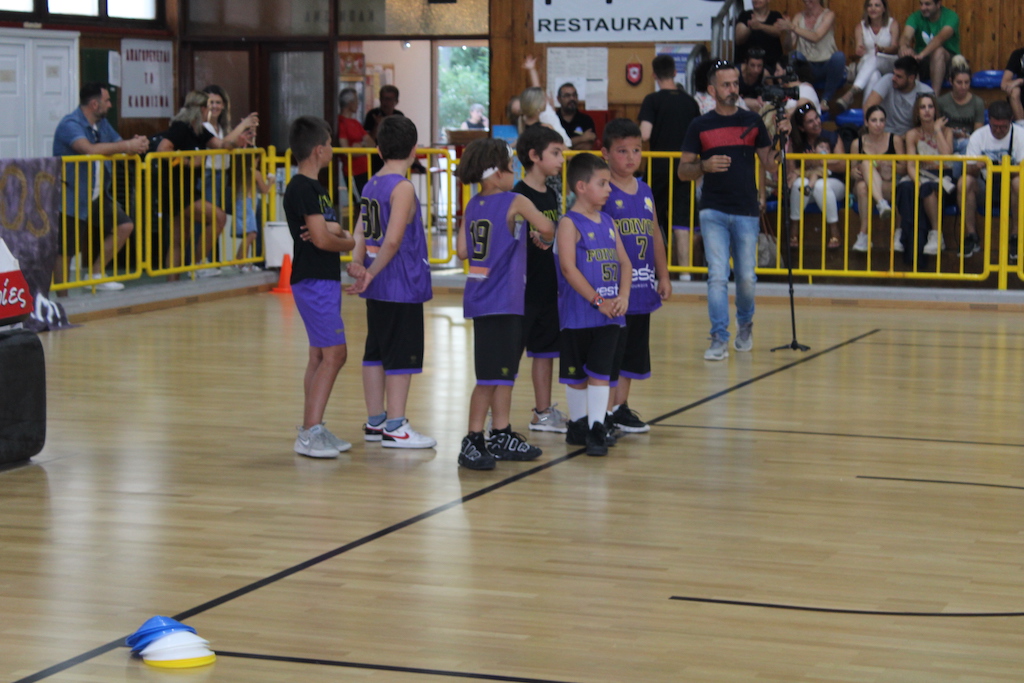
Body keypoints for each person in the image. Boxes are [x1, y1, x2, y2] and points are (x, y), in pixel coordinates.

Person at [454, 139, 555, 470]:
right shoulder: (515, 201)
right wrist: (542, 236)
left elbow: (463, 251)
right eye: (512, 168)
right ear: (497, 173)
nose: (515, 174)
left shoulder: (473, 204)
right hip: (502, 298)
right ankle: (472, 439)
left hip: (482, 297)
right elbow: (547, 226)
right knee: (489, 377)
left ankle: (500, 432)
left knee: (503, 372)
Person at [678, 60, 780, 361]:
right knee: (717, 276)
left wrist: (782, 138)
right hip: (713, 210)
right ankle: (719, 337)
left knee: (746, 277)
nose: (733, 89)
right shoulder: (699, 125)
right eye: (726, 85)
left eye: (736, 83)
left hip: (746, 210)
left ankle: (745, 323)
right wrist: (704, 166)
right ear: (712, 90)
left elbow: (771, 164)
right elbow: (683, 171)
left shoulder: (752, 121)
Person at [347, 115, 436, 449]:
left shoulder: (371, 184)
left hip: (377, 285)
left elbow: (359, 231)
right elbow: (394, 240)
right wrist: (370, 271)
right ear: (414, 150)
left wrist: (358, 263)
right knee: (401, 355)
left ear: (379, 149)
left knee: (376, 349)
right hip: (400, 283)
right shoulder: (403, 188)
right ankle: (396, 426)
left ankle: (376, 420)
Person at [283, 116, 356, 458]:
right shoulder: (304, 188)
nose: (332, 149)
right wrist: (348, 241)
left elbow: (328, 230)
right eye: (329, 143)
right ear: (318, 150)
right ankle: (310, 431)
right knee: (335, 354)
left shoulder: (315, 189)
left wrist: (335, 231)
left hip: (321, 280)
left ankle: (312, 427)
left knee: (319, 355)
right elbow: (325, 239)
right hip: (314, 282)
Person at [556, 153, 632, 456]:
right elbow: (568, 268)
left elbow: (625, 264)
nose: (609, 189)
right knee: (576, 376)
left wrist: (623, 296)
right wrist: (598, 300)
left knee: (601, 373)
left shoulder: (609, 222)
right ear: (581, 186)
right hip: (578, 315)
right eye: (602, 183)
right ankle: (578, 425)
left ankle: (597, 427)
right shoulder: (568, 223)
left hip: (609, 317)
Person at [599, 119, 671, 433]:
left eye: (636, 150)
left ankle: (619, 407)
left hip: (642, 287)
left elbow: (654, 233)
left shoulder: (645, 190)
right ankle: (601, 413)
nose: (631, 157)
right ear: (605, 153)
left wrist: (663, 275)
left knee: (632, 353)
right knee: (611, 353)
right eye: (622, 151)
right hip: (614, 290)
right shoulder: (602, 192)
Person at [52, 82, 149, 292]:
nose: (110, 105)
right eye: (107, 100)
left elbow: (119, 144)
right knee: (66, 249)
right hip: (71, 195)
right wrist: (126, 145)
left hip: (96, 194)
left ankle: (95, 274)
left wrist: (136, 144)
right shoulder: (69, 124)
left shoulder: (102, 124)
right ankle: (62, 297)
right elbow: (89, 149)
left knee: (124, 226)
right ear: (95, 104)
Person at [156, 90, 258, 279]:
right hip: (175, 190)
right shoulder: (181, 127)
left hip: (188, 188)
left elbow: (222, 145)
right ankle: (196, 263)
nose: (210, 111)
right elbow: (163, 150)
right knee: (219, 217)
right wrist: (187, 162)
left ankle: (173, 282)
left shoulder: (200, 131)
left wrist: (237, 140)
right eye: (208, 107)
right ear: (202, 109)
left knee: (180, 239)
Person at [513, 126, 570, 434]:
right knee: (510, 356)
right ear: (535, 156)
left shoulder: (551, 192)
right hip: (522, 289)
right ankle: (498, 419)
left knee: (545, 351)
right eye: (555, 153)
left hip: (548, 285)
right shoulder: (518, 195)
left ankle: (543, 412)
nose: (561, 159)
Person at [639, 54, 701, 280]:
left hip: (658, 168)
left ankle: (650, 270)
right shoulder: (690, 102)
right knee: (682, 220)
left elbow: (645, 134)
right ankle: (685, 274)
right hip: (686, 167)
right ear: (675, 73)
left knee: (651, 219)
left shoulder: (652, 100)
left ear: (654, 75)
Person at [959, 101, 1024, 262]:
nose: (998, 130)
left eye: (1003, 127)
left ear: (1011, 121)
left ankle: (1016, 236)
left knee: (1019, 182)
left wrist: (1006, 168)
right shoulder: (978, 136)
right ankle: (971, 235)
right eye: (994, 126)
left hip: (1011, 188)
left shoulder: (1021, 135)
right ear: (989, 121)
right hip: (984, 186)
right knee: (964, 182)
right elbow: (968, 169)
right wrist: (977, 166)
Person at [898, 93, 953, 257]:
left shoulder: (946, 131)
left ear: (936, 110)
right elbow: (911, 165)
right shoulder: (912, 134)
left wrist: (937, 131)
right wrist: (918, 182)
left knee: (928, 188)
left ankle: (937, 235)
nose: (927, 110)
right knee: (904, 187)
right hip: (921, 174)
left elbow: (947, 158)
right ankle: (901, 234)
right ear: (917, 112)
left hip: (943, 175)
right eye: (923, 107)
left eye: (930, 106)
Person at [787, 102, 847, 250]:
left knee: (821, 186)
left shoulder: (832, 137)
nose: (816, 123)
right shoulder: (797, 143)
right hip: (807, 187)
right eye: (810, 121)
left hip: (834, 183)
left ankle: (834, 231)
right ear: (802, 128)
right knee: (798, 184)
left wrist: (819, 162)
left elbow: (843, 166)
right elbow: (792, 173)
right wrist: (806, 166)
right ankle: (794, 230)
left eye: (816, 118)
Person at [849, 105, 905, 252]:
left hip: (888, 184)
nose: (878, 124)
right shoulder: (857, 144)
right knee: (864, 171)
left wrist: (890, 164)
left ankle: (864, 234)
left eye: (881, 120)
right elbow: (852, 171)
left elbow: (904, 168)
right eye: (874, 120)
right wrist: (854, 172)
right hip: (864, 184)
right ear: (866, 122)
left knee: (864, 187)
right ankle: (880, 204)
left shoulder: (895, 140)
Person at [779, 0, 847, 111]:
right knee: (794, 55)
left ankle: (825, 100)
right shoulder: (798, 17)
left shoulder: (828, 15)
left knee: (839, 57)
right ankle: (806, 95)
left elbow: (816, 37)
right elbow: (788, 47)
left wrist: (793, 27)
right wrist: (787, 31)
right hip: (807, 66)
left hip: (826, 65)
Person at [834, 0, 900, 113]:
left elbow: (895, 48)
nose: (873, 8)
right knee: (874, 76)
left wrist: (883, 49)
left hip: (888, 62)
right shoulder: (860, 26)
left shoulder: (892, 24)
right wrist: (859, 50)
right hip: (867, 64)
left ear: (884, 9)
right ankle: (868, 113)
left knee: (875, 57)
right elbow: (859, 48)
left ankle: (851, 93)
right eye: (870, 5)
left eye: (877, 5)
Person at [899, 0, 960, 96]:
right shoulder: (915, 16)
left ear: (938, 4)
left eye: (927, 4)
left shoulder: (951, 16)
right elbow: (906, 36)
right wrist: (904, 47)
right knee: (905, 53)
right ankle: (916, 96)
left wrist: (921, 54)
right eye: (921, 4)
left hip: (947, 63)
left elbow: (939, 39)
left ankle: (934, 97)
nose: (923, 8)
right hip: (923, 61)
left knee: (938, 51)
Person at [863, 56, 933, 136]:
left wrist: (904, 138)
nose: (893, 78)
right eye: (894, 74)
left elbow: (929, 124)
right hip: (882, 134)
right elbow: (869, 106)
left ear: (911, 78)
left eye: (899, 76)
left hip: (909, 137)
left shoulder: (926, 92)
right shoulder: (887, 80)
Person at [201, 85, 233, 250]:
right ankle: (202, 259)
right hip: (207, 175)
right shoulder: (202, 126)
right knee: (210, 218)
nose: (214, 106)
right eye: (211, 102)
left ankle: (212, 257)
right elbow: (222, 145)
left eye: (218, 102)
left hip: (222, 174)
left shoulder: (222, 127)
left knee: (217, 219)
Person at [519, 56, 572, 147]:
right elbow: (537, 88)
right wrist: (532, 69)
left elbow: (537, 89)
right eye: (543, 98)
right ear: (538, 104)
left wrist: (532, 69)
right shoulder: (545, 119)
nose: (546, 98)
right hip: (563, 148)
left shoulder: (525, 119)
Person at [233, 142, 270, 272]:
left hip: (240, 203)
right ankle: (239, 261)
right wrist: (271, 181)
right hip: (247, 204)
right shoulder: (255, 173)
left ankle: (242, 262)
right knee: (252, 234)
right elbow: (265, 190)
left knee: (248, 234)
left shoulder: (240, 171)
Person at [939, 55, 985, 158]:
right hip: (946, 140)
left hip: (968, 141)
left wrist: (966, 136)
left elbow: (978, 133)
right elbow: (937, 127)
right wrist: (950, 132)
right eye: (959, 82)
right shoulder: (941, 102)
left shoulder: (978, 102)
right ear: (951, 81)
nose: (963, 86)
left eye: (967, 82)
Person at [337, 87, 374, 199]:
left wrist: (361, 146)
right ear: (350, 103)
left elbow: (371, 143)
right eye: (356, 100)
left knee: (368, 201)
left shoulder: (356, 123)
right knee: (358, 203)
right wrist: (363, 147)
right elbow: (347, 150)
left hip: (365, 170)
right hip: (352, 172)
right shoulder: (340, 122)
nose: (358, 104)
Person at [735, 0, 790, 74]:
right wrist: (750, 28)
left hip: (772, 65)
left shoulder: (775, 15)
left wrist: (760, 26)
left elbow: (777, 31)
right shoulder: (745, 15)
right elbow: (739, 39)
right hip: (748, 66)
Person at [363, 85, 404, 177]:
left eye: (389, 99)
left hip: (395, 159)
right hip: (376, 159)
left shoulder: (399, 116)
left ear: (396, 101)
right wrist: (377, 125)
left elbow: (403, 138)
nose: (385, 102)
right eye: (383, 98)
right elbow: (368, 140)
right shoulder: (372, 115)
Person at [555, 83, 597, 150]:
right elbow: (554, 145)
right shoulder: (553, 119)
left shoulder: (586, 120)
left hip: (581, 157)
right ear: (559, 99)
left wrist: (564, 147)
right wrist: (582, 138)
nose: (572, 98)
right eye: (567, 95)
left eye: (574, 95)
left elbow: (587, 146)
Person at [739, 48, 768, 113]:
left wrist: (763, 97)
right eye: (752, 65)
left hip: (758, 104)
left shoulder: (765, 74)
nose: (756, 70)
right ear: (746, 63)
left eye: (759, 66)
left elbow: (771, 91)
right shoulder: (736, 73)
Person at [1001, 47, 1024, 123]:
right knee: (1014, 91)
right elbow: (1004, 84)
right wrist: (1014, 84)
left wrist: (1020, 81)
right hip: (1021, 96)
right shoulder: (1018, 54)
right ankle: (1022, 125)